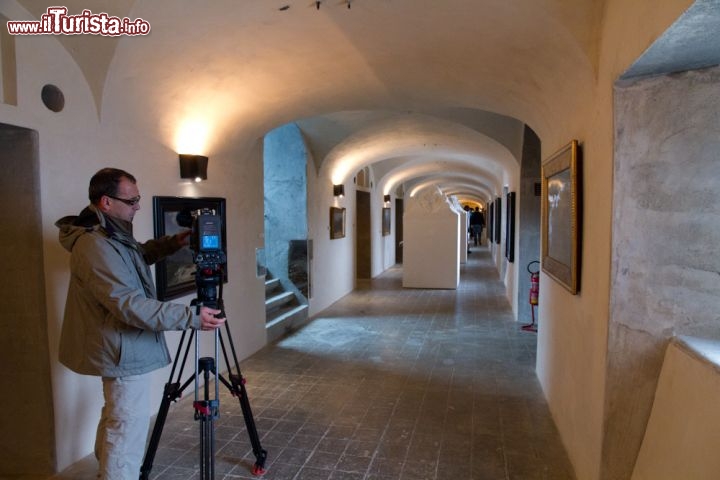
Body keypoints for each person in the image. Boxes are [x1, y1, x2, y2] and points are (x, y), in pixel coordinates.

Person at [55, 168, 225, 479]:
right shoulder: (95, 244)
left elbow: (137, 256)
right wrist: (190, 317)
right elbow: (127, 304)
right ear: (106, 201)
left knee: (117, 417)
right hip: (121, 348)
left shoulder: (111, 233)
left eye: (139, 198)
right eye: (131, 200)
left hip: (121, 346)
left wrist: (174, 241)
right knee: (127, 427)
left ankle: (106, 471)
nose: (137, 205)